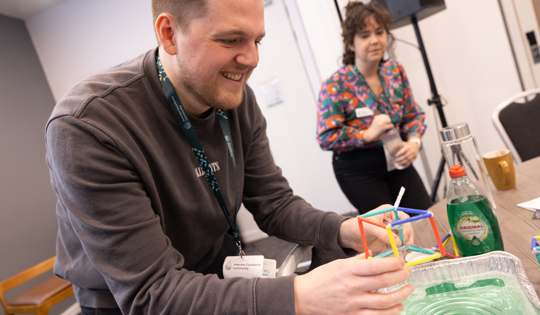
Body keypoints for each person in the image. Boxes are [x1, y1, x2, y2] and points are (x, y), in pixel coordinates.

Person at [45, 0, 414, 314]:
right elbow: (151, 293)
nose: (251, 59)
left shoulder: (236, 98)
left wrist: (344, 229)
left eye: (257, 40)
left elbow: (274, 203)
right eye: (230, 39)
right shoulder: (88, 126)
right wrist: (301, 295)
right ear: (169, 34)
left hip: (210, 272)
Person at [317, 1, 433, 215]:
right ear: (351, 44)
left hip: (395, 156)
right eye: (364, 35)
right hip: (357, 169)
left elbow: (413, 115)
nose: (374, 41)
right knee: (390, 230)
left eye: (379, 32)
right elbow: (326, 136)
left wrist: (414, 143)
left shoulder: (395, 71)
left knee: (424, 216)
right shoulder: (336, 84)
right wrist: (367, 134)